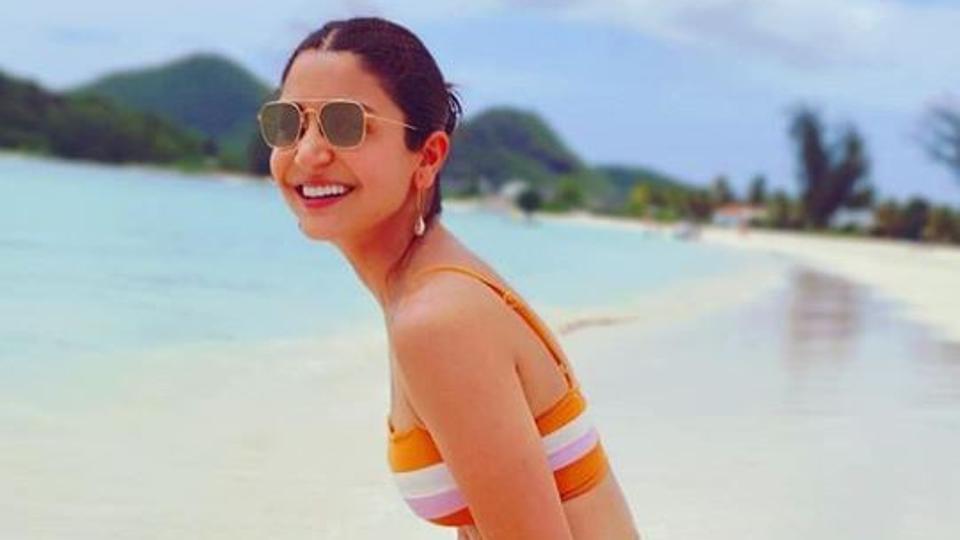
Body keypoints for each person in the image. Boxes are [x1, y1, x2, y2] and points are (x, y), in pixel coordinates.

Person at [258, 16, 640, 539]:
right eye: (288, 123)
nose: (307, 153)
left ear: (429, 155)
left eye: (346, 124)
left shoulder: (438, 319)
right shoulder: (432, 282)